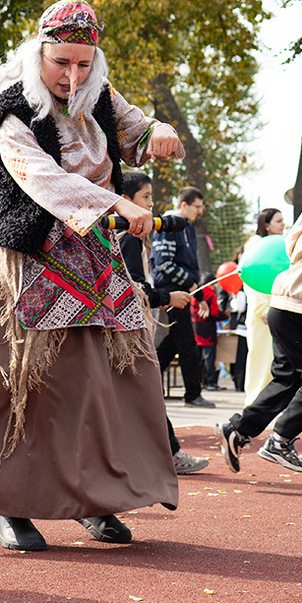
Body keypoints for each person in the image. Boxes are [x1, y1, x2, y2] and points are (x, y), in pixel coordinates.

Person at [0, 0, 180, 552]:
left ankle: (93, 496)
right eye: (61, 63)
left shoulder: (98, 92)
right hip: (34, 258)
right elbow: (44, 181)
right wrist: (120, 205)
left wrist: (161, 129)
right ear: (39, 53)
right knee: (24, 377)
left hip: (95, 253)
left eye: (83, 63)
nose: (72, 75)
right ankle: (7, 505)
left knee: (106, 378)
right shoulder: (11, 110)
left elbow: (136, 133)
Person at [116, 170, 209, 474]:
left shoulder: (128, 236)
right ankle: (170, 453)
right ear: (126, 200)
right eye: (145, 197)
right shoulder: (128, 238)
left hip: (122, 329)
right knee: (147, 390)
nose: (151, 205)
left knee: (140, 391)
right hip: (125, 331)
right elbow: (134, 289)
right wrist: (169, 297)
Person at [217, 210, 302, 472]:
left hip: (283, 302)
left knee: (287, 377)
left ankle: (238, 429)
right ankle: (280, 439)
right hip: (297, 306)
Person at [152, 186, 215, 408]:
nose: (199, 211)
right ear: (184, 205)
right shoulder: (169, 223)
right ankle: (192, 395)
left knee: (176, 339)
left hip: (184, 287)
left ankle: (146, 376)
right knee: (186, 340)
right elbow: (164, 264)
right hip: (171, 288)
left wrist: (197, 290)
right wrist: (191, 283)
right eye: (196, 207)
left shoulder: (188, 227)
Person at [240, 207, 286, 405]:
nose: (283, 224)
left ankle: (269, 403)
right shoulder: (255, 245)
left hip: (278, 309)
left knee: (276, 358)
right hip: (263, 314)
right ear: (266, 225)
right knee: (261, 357)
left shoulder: (280, 245)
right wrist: (263, 309)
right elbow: (253, 281)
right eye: (279, 221)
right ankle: (254, 401)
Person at [192, 272, 226, 390]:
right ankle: (211, 382)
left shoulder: (194, 293)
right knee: (209, 358)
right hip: (208, 332)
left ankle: (198, 382)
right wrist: (225, 316)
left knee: (197, 359)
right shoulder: (211, 295)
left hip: (195, 330)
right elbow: (215, 312)